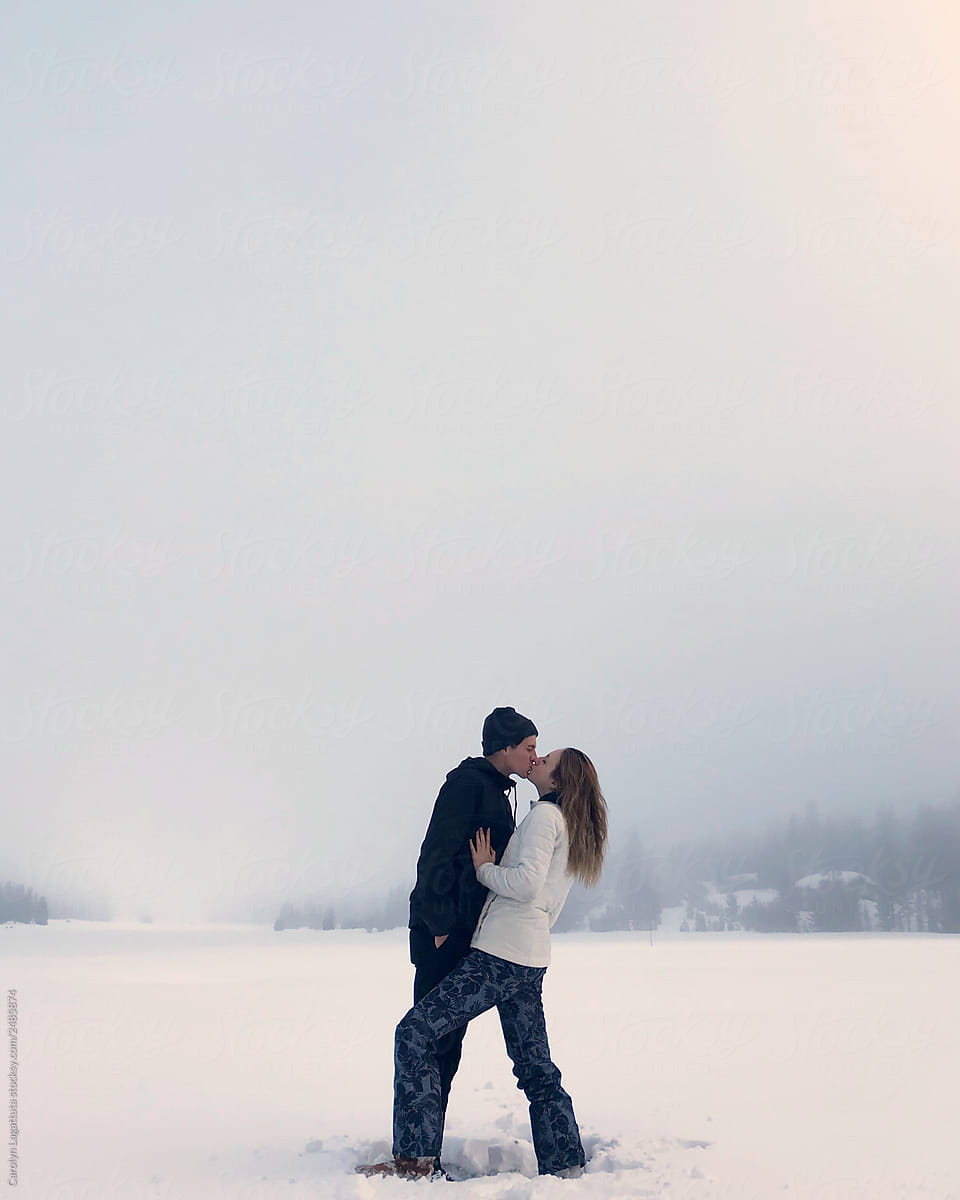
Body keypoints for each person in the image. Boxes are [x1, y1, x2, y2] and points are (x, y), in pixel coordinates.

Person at [358, 746, 608, 1180]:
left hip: (500, 955)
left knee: (415, 1033)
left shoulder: (546, 818)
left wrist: (485, 868)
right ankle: (565, 1161)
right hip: (530, 957)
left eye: (546, 759)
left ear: (558, 779)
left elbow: (526, 884)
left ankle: (415, 1162)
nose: (538, 760)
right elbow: (548, 901)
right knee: (535, 1067)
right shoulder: (570, 825)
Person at [405, 706, 539, 1164]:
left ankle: (425, 1149)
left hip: (470, 934)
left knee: (447, 1044)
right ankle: (417, 1156)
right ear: (504, 747)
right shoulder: (466, 785)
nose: (533, 757)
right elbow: (435, 853)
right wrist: (441, 927)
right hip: (445, 933)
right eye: (528, 747)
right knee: (429, 1042)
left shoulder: (499, 792)